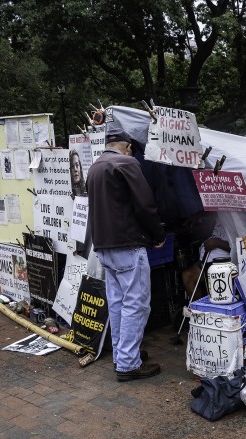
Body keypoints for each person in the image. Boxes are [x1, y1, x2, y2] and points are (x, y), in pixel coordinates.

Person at [86, 128, 165, 382]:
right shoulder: (126, 163)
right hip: (127, 244)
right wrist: (157, 235)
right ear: (128, 146)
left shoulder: (96, 166)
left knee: (119, 304)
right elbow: (145, 204)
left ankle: (124, 356)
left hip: (104, 245)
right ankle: (128, 363)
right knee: (136, 305)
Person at [181, 220, 231, 301]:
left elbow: (242, 248)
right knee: (188, 276)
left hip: (223, 262)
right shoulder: (220, 215)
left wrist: (218, 243)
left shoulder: (237, 220)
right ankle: (200, 309)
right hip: (206, 258)